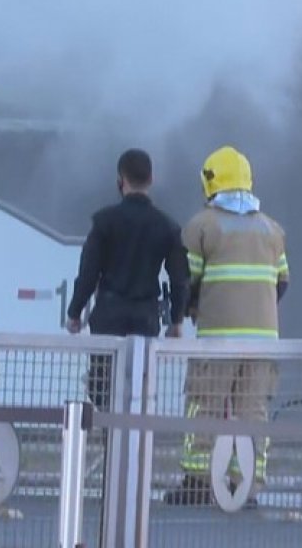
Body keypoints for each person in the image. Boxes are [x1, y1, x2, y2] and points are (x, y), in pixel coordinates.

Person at [164, 145, 288, 508]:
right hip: (264, 341)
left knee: (205, 404)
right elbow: (282, 282)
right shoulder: (272, 229)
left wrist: (190, 310)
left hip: (217, 339)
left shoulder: (202, 225)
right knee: (252, 411)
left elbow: (188, 280)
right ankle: (245, 486)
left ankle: (198, 482)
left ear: (210, 181)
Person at [66, 149, 190, 409]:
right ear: (151, 179)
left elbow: (88, 273)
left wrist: (75, 312)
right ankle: (135, 447)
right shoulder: (167, 226)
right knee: (139, 390)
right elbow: (180, 279)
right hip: (145, 319)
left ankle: (108, 444)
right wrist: (177, 321)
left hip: (108, 317)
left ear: (120, 180)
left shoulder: (103, 222)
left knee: (103, 388)